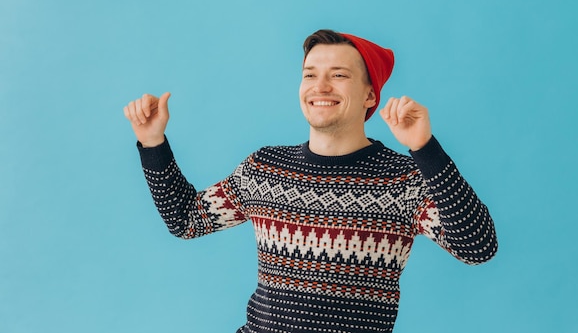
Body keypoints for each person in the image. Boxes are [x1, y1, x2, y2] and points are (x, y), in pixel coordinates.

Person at [123, 29, 498, 333]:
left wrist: (424, 147)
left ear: (370, 94)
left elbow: (477, 247)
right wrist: (153, 141)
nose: (320, 86)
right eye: (310, 74)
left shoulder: (404, 181)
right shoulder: (264, 168)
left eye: (338, 75)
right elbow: (187, 219)